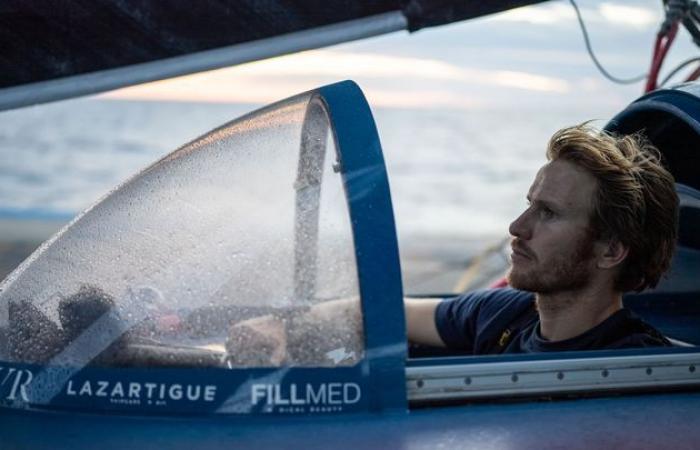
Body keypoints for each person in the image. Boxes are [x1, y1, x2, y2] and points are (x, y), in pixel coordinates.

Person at [406, 123, 679, 353]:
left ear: (611, 251)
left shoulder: (640, 373)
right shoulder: (502, 314)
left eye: (549, 212)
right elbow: (376, 315)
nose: (516, 227)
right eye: (530, 205)